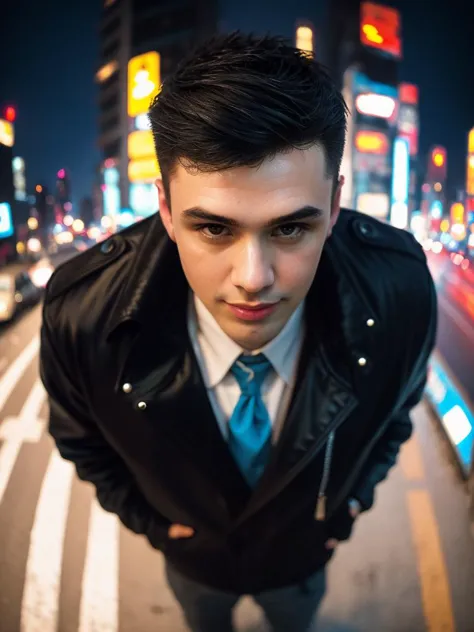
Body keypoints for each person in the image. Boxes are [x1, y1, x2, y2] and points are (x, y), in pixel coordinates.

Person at [40, 32, 437, 632]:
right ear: (167, 211)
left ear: (334, 207)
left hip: (302, 564)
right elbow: (80, 439)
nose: (253, 280)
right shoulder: (83, 315)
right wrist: (150, 522)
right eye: (215, 230)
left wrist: (347, 511)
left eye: (290, 230)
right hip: (195, 566)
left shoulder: (400, 294)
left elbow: (396, 415)